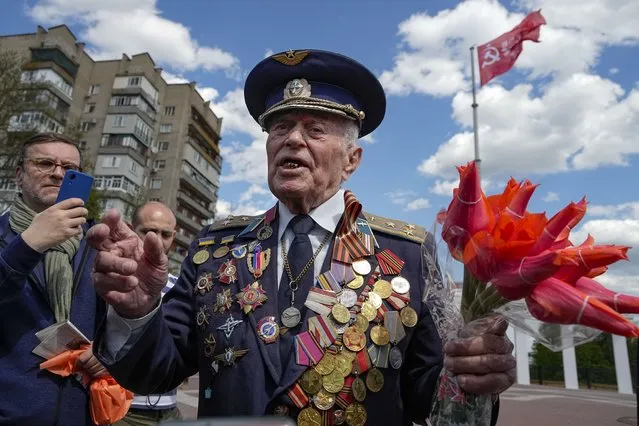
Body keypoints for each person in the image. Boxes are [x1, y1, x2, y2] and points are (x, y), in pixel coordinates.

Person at [88, 50, 516, 425]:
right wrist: (138, 312)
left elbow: (428, 397)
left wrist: (472, 376)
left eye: (314, 129)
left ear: (352, 160)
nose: (292, 138)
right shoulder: (216, 248)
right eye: (280, 128)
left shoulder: (404, 252)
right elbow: (156, 371)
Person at [0, 132, 106, 425]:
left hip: (81, 412)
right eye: (44, 163)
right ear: (19, 175)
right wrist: (28, 244)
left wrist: (108, 351)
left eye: (70, 169)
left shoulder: (96, 240)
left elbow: (117, 317)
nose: (58, 173)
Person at [114, 201, 182, 425]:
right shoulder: (111, 279)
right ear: (131, 228)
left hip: (169, 411)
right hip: (120, 409)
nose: (156, 241)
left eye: (165, 234)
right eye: (148, 231)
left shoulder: (179, 287)